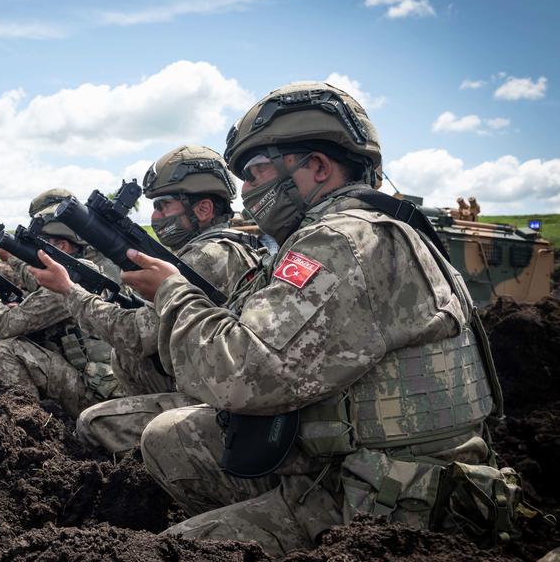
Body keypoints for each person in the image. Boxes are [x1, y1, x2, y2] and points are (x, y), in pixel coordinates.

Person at [120, 82, 504, 556]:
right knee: (171, 437)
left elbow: (238, 376)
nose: (246, 190)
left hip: (389, 508)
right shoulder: (376, 228)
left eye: (256, 171)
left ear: (317, 167)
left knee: (171, 552)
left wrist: (172, 292)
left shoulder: (340, 241)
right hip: (387, 475)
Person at [29, 145, 270, 454]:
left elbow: (133, 335)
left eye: (164, 206)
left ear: (203, 209)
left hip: (220, 398)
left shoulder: (205, 257)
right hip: (218, 382)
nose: (155, 217)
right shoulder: (238, 246)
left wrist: (68, 291)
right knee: (127, 361)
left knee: (92, 423)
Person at [0, 189, 123, 418]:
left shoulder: (72, 278)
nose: (35, 249)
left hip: (96, 396)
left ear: (62, 246)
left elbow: (5, 325)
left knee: (8, 348)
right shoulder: (86, 268)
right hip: (104, 384)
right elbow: (38, 283)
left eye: (41, 243)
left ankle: (27, 422)